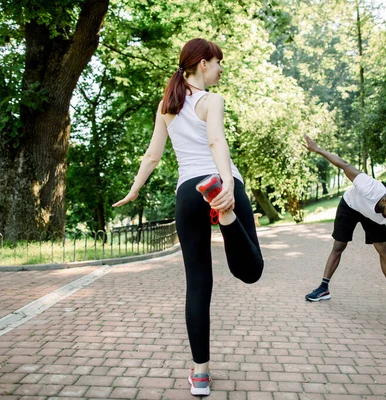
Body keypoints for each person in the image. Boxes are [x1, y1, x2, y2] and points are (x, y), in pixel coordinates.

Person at [113, 38, 264, 396]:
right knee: (251, 270)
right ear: (201, 64)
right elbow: (216, 142)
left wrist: (135, 189)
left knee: (198, 283)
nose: (221, 68)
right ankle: (224, 215)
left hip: (187, 192)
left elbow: (152, 155)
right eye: (218, 62)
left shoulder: (167, 105)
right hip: (218, 181)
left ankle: (200, 374)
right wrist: (226, 183)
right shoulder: (212, 100)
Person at [302, 135, 386, 312]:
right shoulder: (369, 187)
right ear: (384, 201)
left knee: (383, 249)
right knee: (339, 245)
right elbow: (344, 165)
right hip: (351, 206)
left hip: (372, 217)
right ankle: (323, 288)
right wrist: (318, 149)